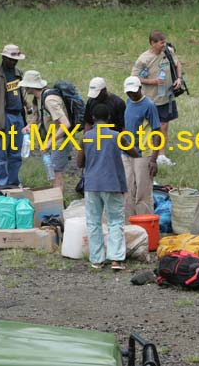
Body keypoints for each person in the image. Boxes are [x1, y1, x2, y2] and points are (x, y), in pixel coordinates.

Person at [77, 104, 138, 271]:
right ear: (109, 118)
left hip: (92, 184)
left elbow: (79, 162)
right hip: (113, 184)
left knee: (93, 222)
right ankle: (116, 259)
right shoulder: (116, 136)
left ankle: (96, 259)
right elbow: (134, 153)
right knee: (115, 221)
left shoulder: (86, 137)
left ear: (94, 119)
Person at [131, 30, 182, 166]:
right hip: (150, 100)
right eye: (161, 43)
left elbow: (178, 64)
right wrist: (152, 81)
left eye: (164, 42)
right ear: (153, 43)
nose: (164, 45)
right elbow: (134, 78)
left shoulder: (168, 52)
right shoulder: (144, 59)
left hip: (166, 97)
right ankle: (146, 153)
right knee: (149, 128)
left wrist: (179, 79)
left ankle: (161, 155)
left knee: (164, 126)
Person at [0, 44, 31, 186]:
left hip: (18, 116)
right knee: (1, 154)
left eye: (16, 59)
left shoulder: (18, 73)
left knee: (16, 154)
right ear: (4, 57)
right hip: (3, 116)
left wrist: (26, 104)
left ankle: (13, 183)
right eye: (11, 59)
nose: (13, 62)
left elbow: (17, 92)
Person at [19, 70, 71, 193]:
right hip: (49, 139)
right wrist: (29, 126)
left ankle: (58, 203)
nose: (25, 88)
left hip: (59, 140)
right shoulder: (37, 99)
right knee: (52, 173)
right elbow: (38, 117)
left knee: (55, 173)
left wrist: (49, 143)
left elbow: (66, 125)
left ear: (31, 86)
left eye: (26, 85)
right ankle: (55, 199)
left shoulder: (49, 100)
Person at [122, 76, 161, 221]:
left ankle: (146, 226)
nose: (131, 94)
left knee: (142, 193)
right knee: (127, 189)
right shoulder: (128, 102)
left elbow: (157, 133)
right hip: (126, 152)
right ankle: (129, 224)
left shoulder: (149, 105)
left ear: (140, 88)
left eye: (133, 91)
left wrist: (153, 159)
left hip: (143, 154)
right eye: (128, 92)